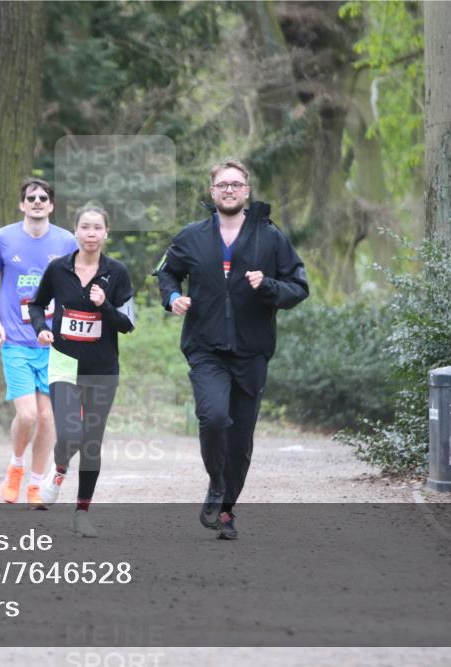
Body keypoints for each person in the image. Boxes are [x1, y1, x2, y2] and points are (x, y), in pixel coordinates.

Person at [155, 159, 308, 540]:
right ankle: (216, 484)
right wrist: (172, 296)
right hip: (205, 348)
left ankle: (226, 509)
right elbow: (166, 272)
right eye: (222, 184)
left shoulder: (270, 237)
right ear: (212, 192)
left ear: (247, 191)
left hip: (251, 352)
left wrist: (269, 285)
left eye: (236, 184)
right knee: (213, 418)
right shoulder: (191, 236)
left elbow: (298, 286)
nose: (229, 190)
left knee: (240, 440)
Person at [29, 204, 135, 537]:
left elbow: (128, 323)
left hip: (102, 368)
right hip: (63, 361)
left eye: (97, 228)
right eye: (85, 227)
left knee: (91, 442)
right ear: (75, 232)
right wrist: (40, 329)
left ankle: (82, 512)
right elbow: (36, 303)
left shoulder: (117, 273)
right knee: (71, 434)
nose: (91, 233)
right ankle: (59, 469)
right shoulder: (58, 269)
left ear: (106, 234)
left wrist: (105, 305)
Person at [0, 178, 78, 508]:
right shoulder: (4, 238)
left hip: (54, 344)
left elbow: (76, 286)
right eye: (31, 197)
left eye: (43, 198)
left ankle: (36, 484)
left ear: (51, 205)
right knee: (27, 416)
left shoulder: (66, 241)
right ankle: (16, 466)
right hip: (16, 342)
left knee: (48, 418)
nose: (37, 202)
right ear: (22, 204)